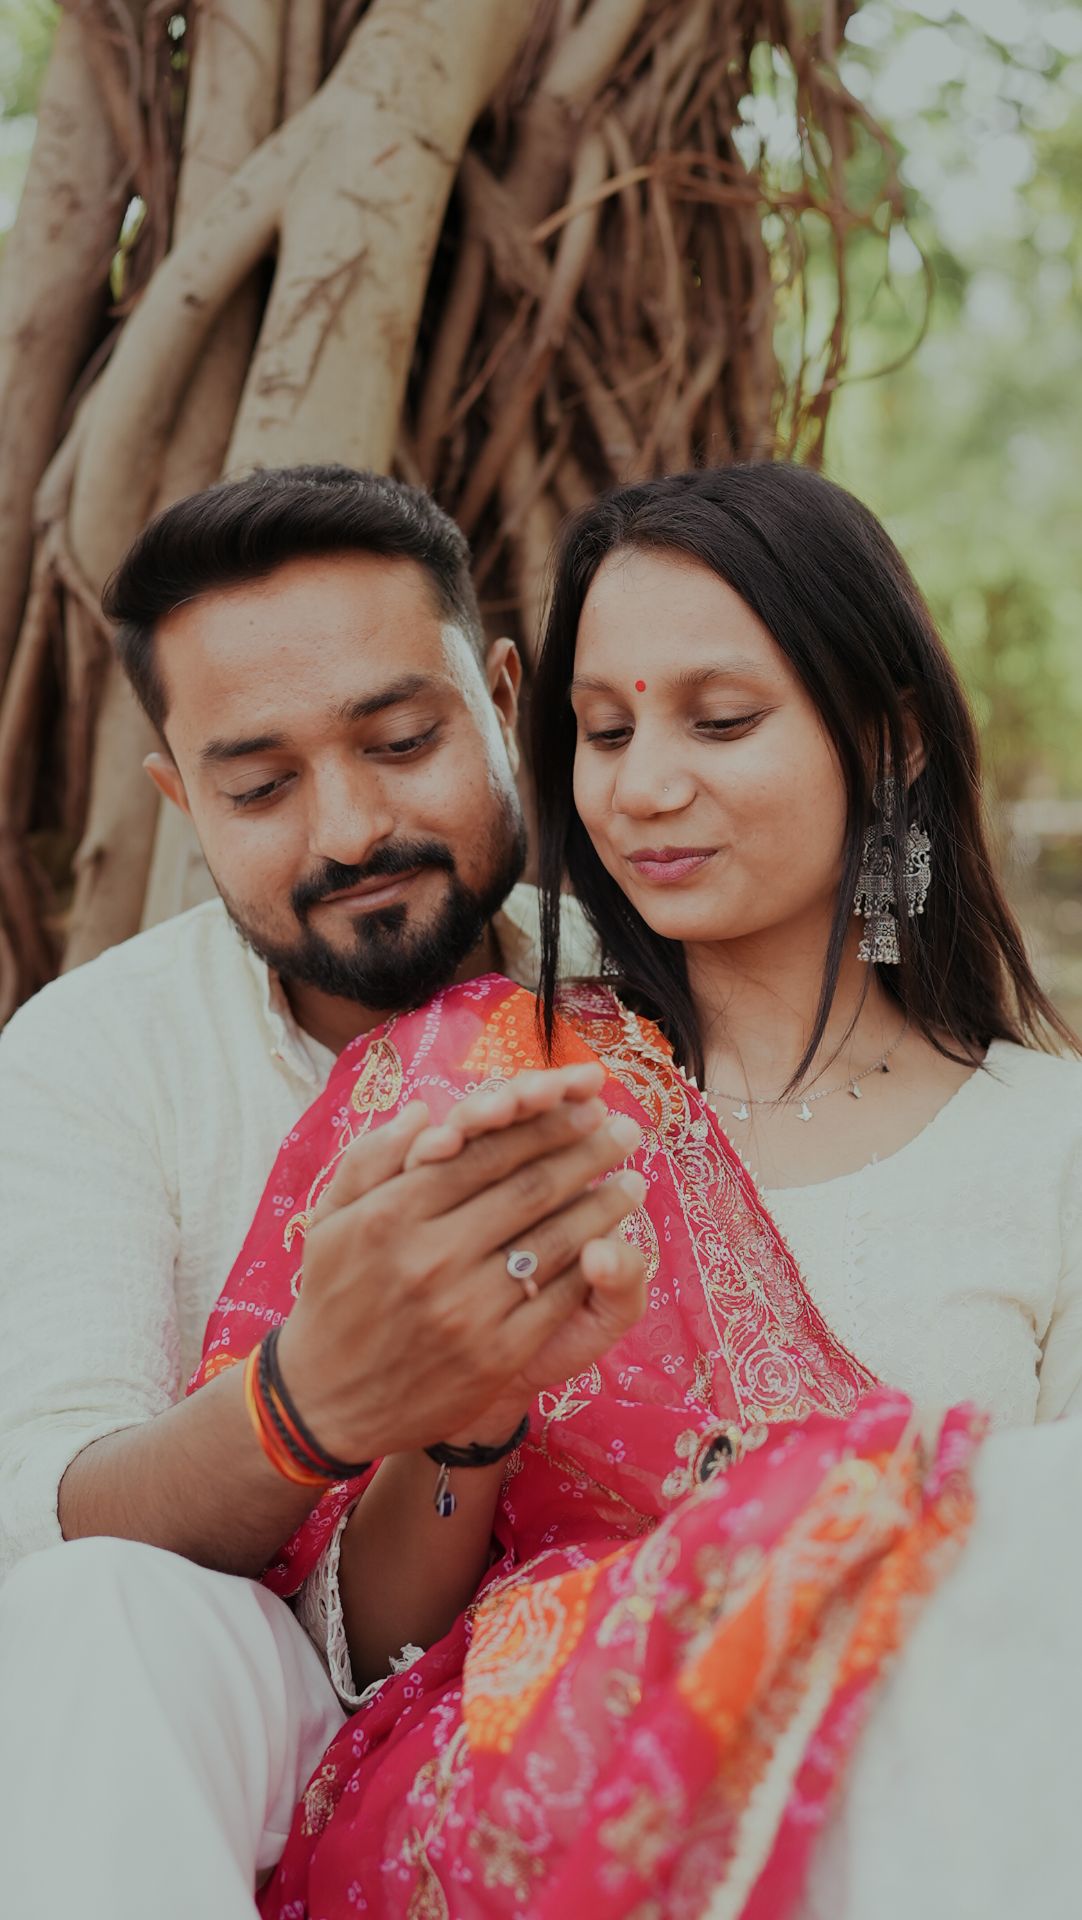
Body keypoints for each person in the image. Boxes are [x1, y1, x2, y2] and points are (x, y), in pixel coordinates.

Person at [197, 464, 1082, 1919]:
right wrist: (474, 1415)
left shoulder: (1051, 1147)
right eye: (604, 731)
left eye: (719, 721)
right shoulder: (501, 1092)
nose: (642, 786)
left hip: (947, 1823)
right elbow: (362, 1665)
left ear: (886, 738)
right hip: (535, 1825)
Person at [0, 464, 648, 1919]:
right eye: (260, 785)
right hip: (257, 1720)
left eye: (402, 741)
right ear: (180, 799)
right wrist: (313, 1403)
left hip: (638, 1669)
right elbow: (44, 1513)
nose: (349, 829)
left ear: (499, 697)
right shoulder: (99, 1056)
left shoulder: (647, 989)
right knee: (92, 1608)